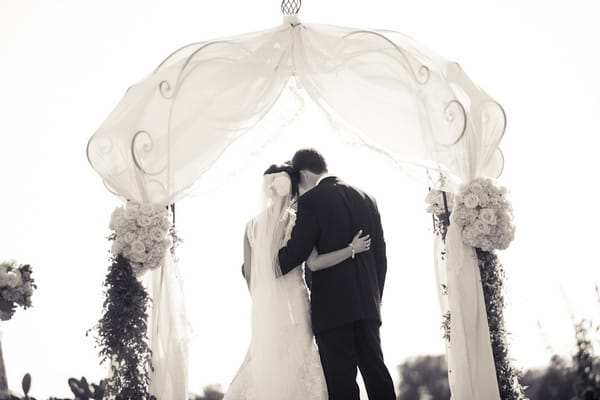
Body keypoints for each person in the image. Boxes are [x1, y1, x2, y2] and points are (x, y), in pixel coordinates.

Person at [224, 163, 371, 400]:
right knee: (300, 358)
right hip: (295, 302)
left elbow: (250, 274)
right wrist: (351, 249)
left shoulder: (251, 226)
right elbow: (313, 262)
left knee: (265, 359)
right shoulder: (297, 221)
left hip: (265, 307)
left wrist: (264, 303)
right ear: (292, 188)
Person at [278, 149, 396, 400]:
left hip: (333, 309)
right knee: (377, 374)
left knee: (342, 383)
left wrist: (263, 268)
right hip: (367, 306)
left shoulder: (311, 202)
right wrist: (375, 299)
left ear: (304, 176)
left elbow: (297, 251)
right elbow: (381, 258)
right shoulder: (367, 198)